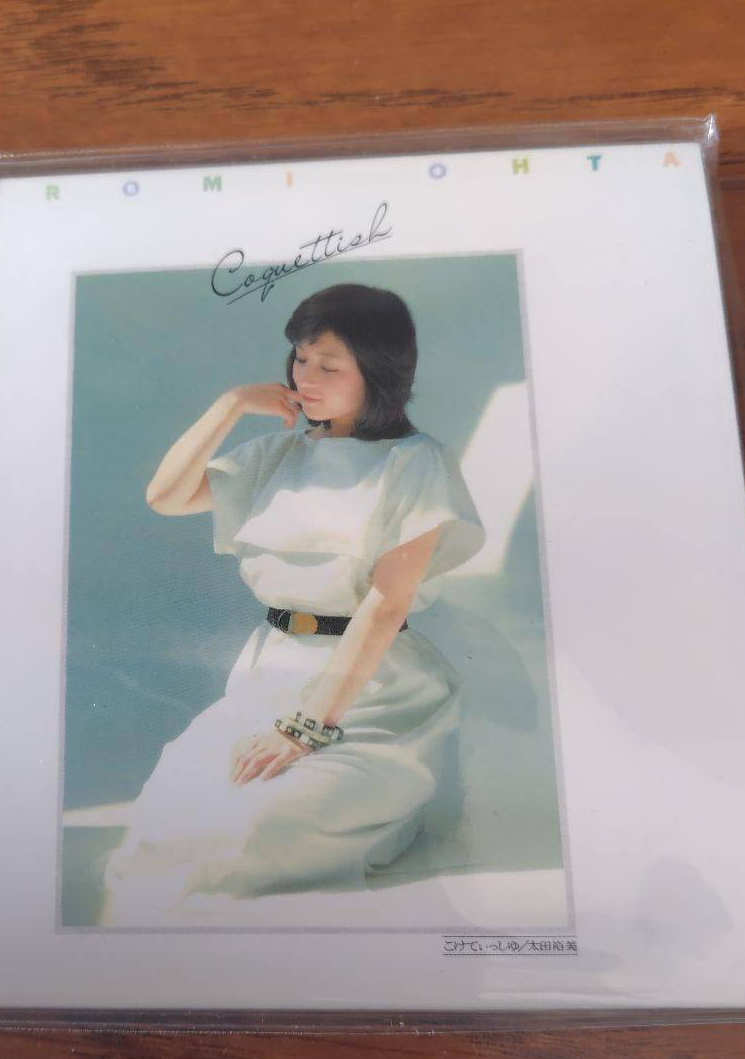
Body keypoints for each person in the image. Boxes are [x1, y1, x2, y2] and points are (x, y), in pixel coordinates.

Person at [99, 283, 485, 926]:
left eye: (329, 366)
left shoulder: (417, 462)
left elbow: (386, 607)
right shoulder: (279, 454)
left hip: (370, 688)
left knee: (262, 828)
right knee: (171, 815)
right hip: (269, 675)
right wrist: (229, 405)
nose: (306, 378)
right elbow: (165, 496)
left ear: (378, 371)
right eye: (301, 359)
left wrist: (305, 730)